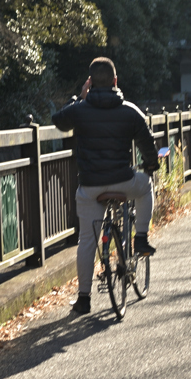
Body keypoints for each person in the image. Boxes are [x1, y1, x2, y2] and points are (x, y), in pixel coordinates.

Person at [53, 57, 159, 315]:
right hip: (123, 181)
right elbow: (148, 146)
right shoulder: (130, 111)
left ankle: (83, 298)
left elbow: (59, 121)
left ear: (90, 82)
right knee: (145, 187)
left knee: (87, 239)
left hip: (90, 186)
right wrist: (150, 166)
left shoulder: (79, 110)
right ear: (115, 81)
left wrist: (78, 98)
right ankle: (141, 238)